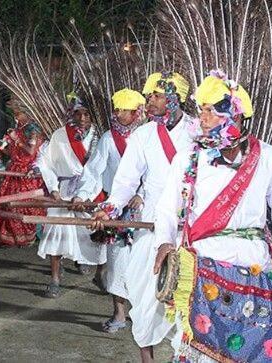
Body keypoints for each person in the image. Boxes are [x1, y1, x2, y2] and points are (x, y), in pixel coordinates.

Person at [152, 70, 272, 362]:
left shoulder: (270, 158)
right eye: (200, 110)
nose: (201, 118)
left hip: (255, 263)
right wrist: (164, 242)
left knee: (255, 344)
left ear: (236, 118)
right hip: (205, 261)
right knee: (202, 348)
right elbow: (166, 206)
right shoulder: (189, 157)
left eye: (210, 111)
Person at [89, 74, 196, 361]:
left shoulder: (198, 133)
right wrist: (110, 208)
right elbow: (125, 182)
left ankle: (184, 354)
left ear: (175, 98)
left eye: (157, 95)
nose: (149, 100)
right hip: (150, 220)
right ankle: (146, 356)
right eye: (149, 96)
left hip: (190, 222)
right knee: (143, 287)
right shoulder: (144, 135)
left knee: (189, 292)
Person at [71, 88, 146, 333]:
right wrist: (82, 195)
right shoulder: (108, 138)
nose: (118, 113)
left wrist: (141, 194)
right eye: (117, 109)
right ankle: (119, 314)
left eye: (124, 110)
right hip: (115, 212)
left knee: (143, 265)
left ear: (136, 112)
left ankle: (143, 314)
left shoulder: (149, 137)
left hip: (146, 211)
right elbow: (94, 170)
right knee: (117, 263)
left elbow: (159, 174)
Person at [34, 94, 106, 298]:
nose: (82, 118)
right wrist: (54, 188)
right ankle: (55, 279)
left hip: (91, 193)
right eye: (78, 113)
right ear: (71, 113)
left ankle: (100, 274)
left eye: (86, 113)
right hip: (63, 194)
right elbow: (45, 163)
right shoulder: (59, 135)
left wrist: (86, 195)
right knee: (57, 233)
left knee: (97, 236)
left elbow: (100, 169)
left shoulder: (101, 136)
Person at [0, 99, 46, 247]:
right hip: (13, 171)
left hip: (27, 173)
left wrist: (17, 139)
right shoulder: (18, 127)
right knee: (7, 203)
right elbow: (13, 152)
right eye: (14, 113)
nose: (15, 116)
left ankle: (29, 235)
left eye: (18, 113)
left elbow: (31, 151)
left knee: (24, 204)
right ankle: (9, 236)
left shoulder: (32, 129)